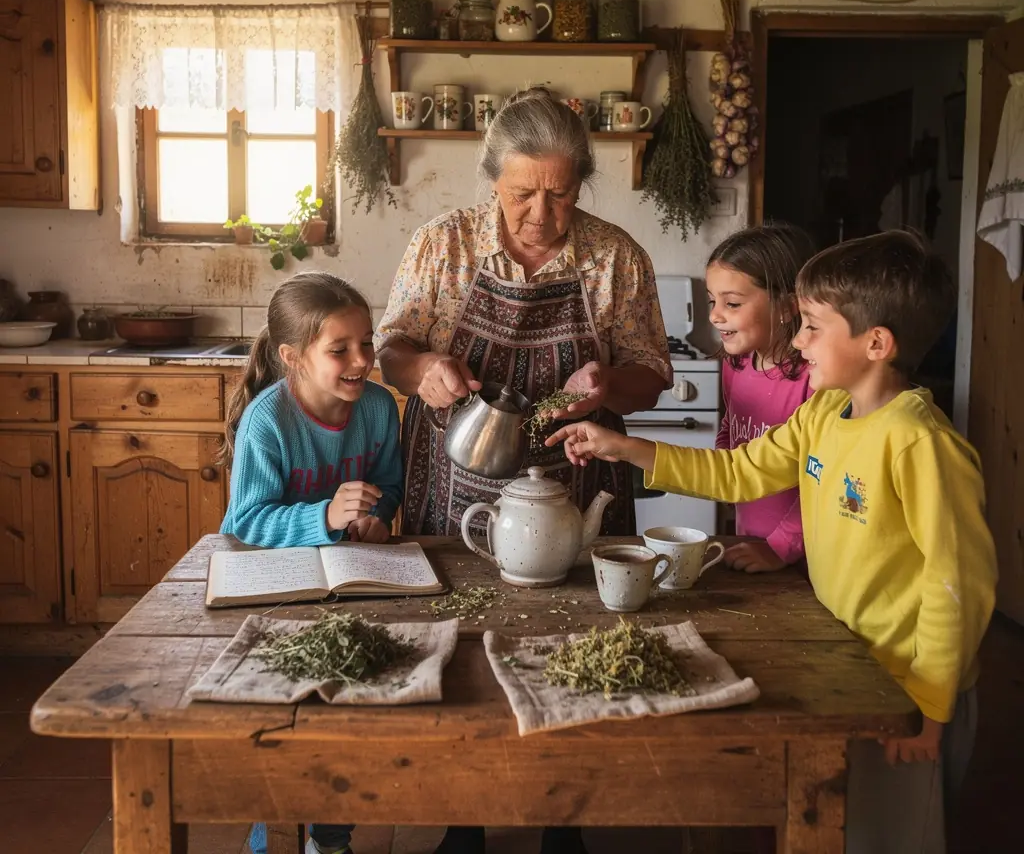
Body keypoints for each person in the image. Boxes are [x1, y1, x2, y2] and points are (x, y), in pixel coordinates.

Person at [548, 230, 998, 854]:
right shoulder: (822, 414)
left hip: (911, 687)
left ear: (876, 343)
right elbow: (737, 471)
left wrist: (931, 709)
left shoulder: (921, 445)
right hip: (850, 663)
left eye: (812, 325)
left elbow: (959, 586)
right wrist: (622, 446)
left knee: (894, 835)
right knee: (839, 823)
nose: (800, 339)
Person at [375, 87, 671, 854]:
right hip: (455, 474)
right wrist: (423, 369)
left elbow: (652, 374)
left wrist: (608, 386)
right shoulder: (443, 244)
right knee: (460, 639)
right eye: (520, 193)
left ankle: (563, 823)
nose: (539, 213)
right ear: (491, 179)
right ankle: (462, 823)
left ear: (580, 184)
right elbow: (391, 348)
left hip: (577, 475)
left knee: (571, 640)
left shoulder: (615, 257)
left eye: (559, 193)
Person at [220, 271, 403, 854]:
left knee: (346, 717)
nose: (362, 360)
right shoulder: (267, 420)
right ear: (293, 357)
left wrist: (376, 520)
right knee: (281, 725)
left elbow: (389, 487)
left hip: (348, 585)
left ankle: (330, 837)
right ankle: (268, 840)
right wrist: (323, 516)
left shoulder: (377, 409)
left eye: (367, 343)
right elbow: (244, 522)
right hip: (275, 590)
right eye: (341, 349)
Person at [707, 223, 816, 572]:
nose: (714, 315)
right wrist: (722, 466)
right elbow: (731, 425)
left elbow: (820, 478)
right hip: (751, 542)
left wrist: (781, 547)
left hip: (803, 555)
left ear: (786, 307)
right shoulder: (735, 365)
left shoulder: (814, 381)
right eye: (712, 300)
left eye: (732, 303)